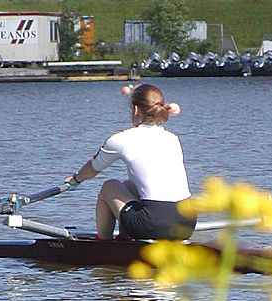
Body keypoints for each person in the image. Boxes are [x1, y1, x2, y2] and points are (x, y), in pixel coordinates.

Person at [66, 83, 195, 241]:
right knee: (129, 186)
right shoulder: (173, 139)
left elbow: (92, 168)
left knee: (110, 186)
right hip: (187, 222)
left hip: (153, 223)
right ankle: (124, 238)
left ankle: (103, 244)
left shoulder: (121, 139)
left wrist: (75, 179)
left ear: (135, 110)